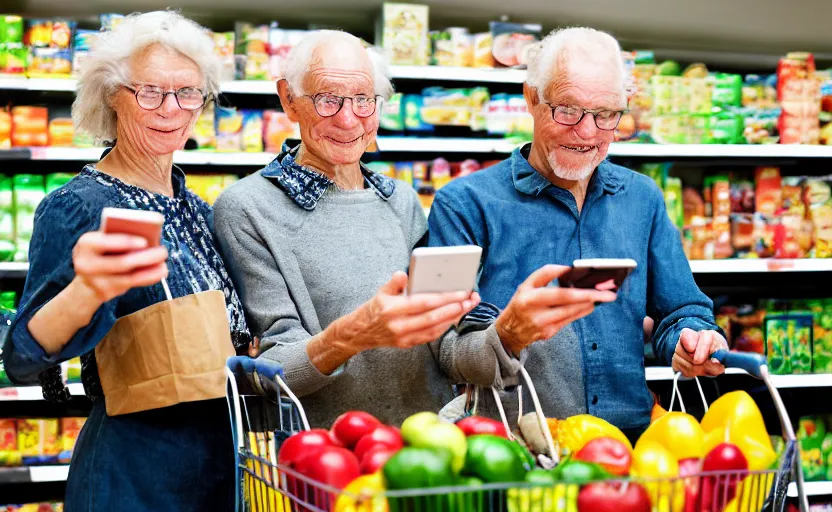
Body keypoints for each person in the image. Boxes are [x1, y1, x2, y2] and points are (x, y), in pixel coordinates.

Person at [213, 30, 613, 429]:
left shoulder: (400, 202)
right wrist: (352, 335)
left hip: (429, 451)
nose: (349, 118)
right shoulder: (248, 209)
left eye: (364, 100)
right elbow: (267, 372)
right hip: (326, 460)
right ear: (288, 99)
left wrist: (508, 334)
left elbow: (446, 351)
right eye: (328, 100)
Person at [0, 11, 247, 511]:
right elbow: (22, 357)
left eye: (187, 93)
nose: (170, 109)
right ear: (112, 97)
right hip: (137, 476)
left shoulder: (199, 210)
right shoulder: (81, 205)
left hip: (224, 470)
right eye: (150, 92)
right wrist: (86, 289)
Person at [427, 27, 727, 437]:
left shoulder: (643, 199)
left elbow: (681, 311)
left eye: (606, 115)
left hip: (631, 449)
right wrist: (507, 335)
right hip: (515, 454)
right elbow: (442, 348)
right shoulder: (461, 204)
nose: (587, 133)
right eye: (567, 109)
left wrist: (692, 339)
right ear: (531, 98)